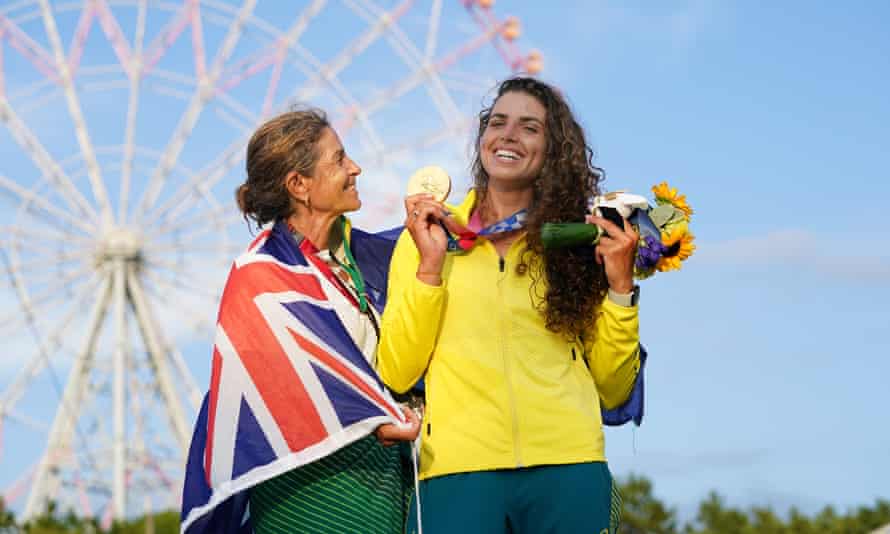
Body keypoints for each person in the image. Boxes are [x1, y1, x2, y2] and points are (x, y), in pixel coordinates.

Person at [376, 77, 643, 534]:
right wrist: (430, 269)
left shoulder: (580, 241)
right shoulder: (426, 238)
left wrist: (620, 287)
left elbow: (614, 388)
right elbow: (397, 372)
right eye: (497, 122)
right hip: (457, 472)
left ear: (553, 149)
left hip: (568, 467)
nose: (508, 135)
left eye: (529, 127)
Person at [180, 109, 420, 534]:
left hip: (385, 483)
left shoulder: (380, 259)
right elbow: (277, 393)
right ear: (299, 185)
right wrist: (374, 414)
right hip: (306, 493)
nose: (355, 168)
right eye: (339, 159)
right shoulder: (258, 279)